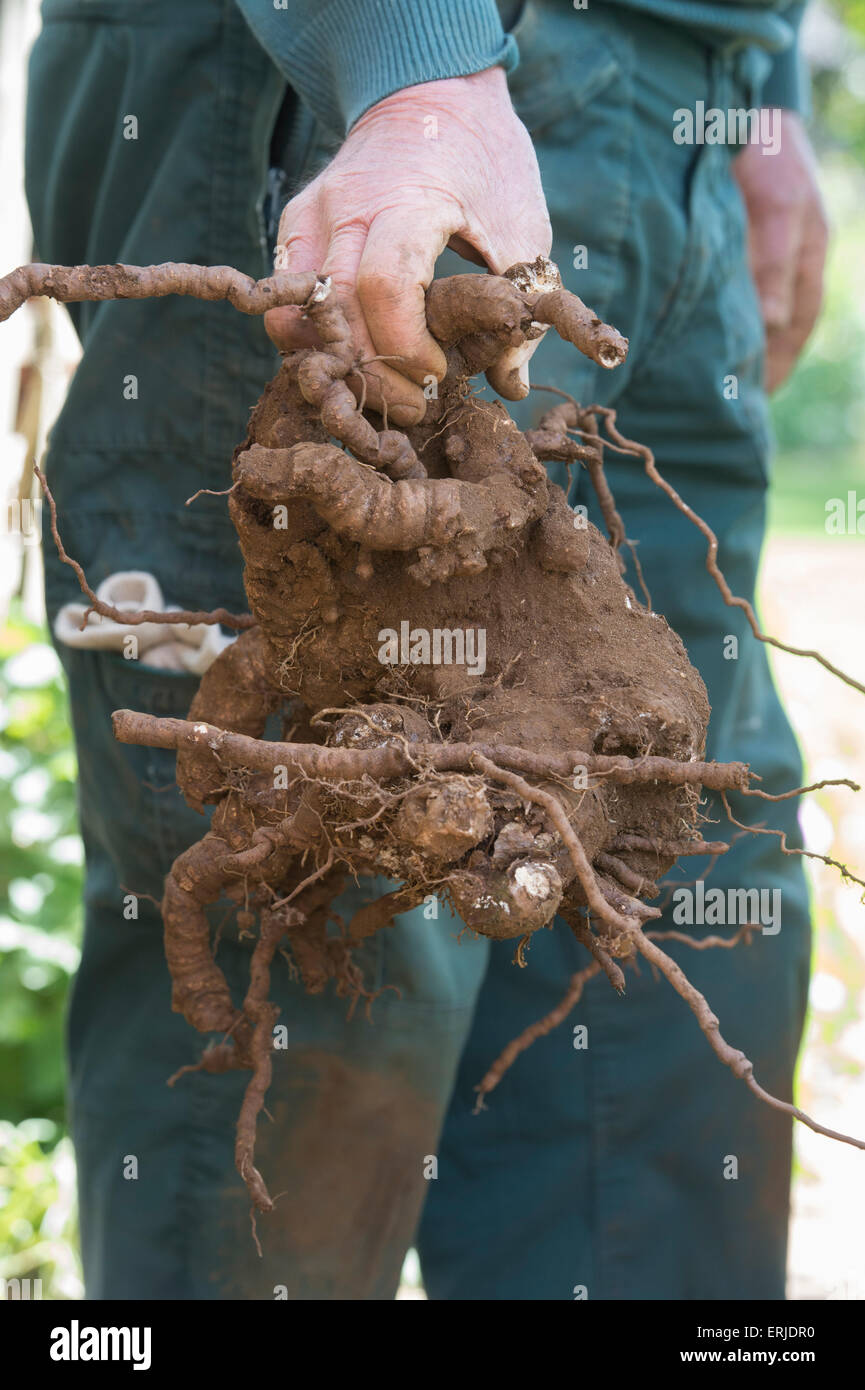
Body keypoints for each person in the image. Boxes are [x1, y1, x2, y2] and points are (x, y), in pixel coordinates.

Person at [25, 0, 824, 1299]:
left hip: (660, 115)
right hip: (334, 112)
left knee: (665, 910)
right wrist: (408, 57)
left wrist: (752, 92)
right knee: (313, 987)